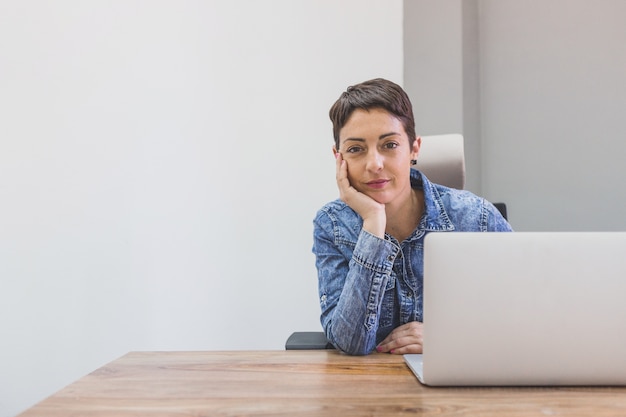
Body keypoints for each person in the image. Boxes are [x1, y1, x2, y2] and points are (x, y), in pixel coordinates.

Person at [312, 78, 512, 356]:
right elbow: (350, 342)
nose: (374, 164)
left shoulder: (476, 217)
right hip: (369, 390)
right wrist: (373, 224)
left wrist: (446, 339)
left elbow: (523, 318)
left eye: (389, 145)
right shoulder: (332, 224)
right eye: (356, 149)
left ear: (414, 148)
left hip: (460, 384)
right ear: (339, 158)